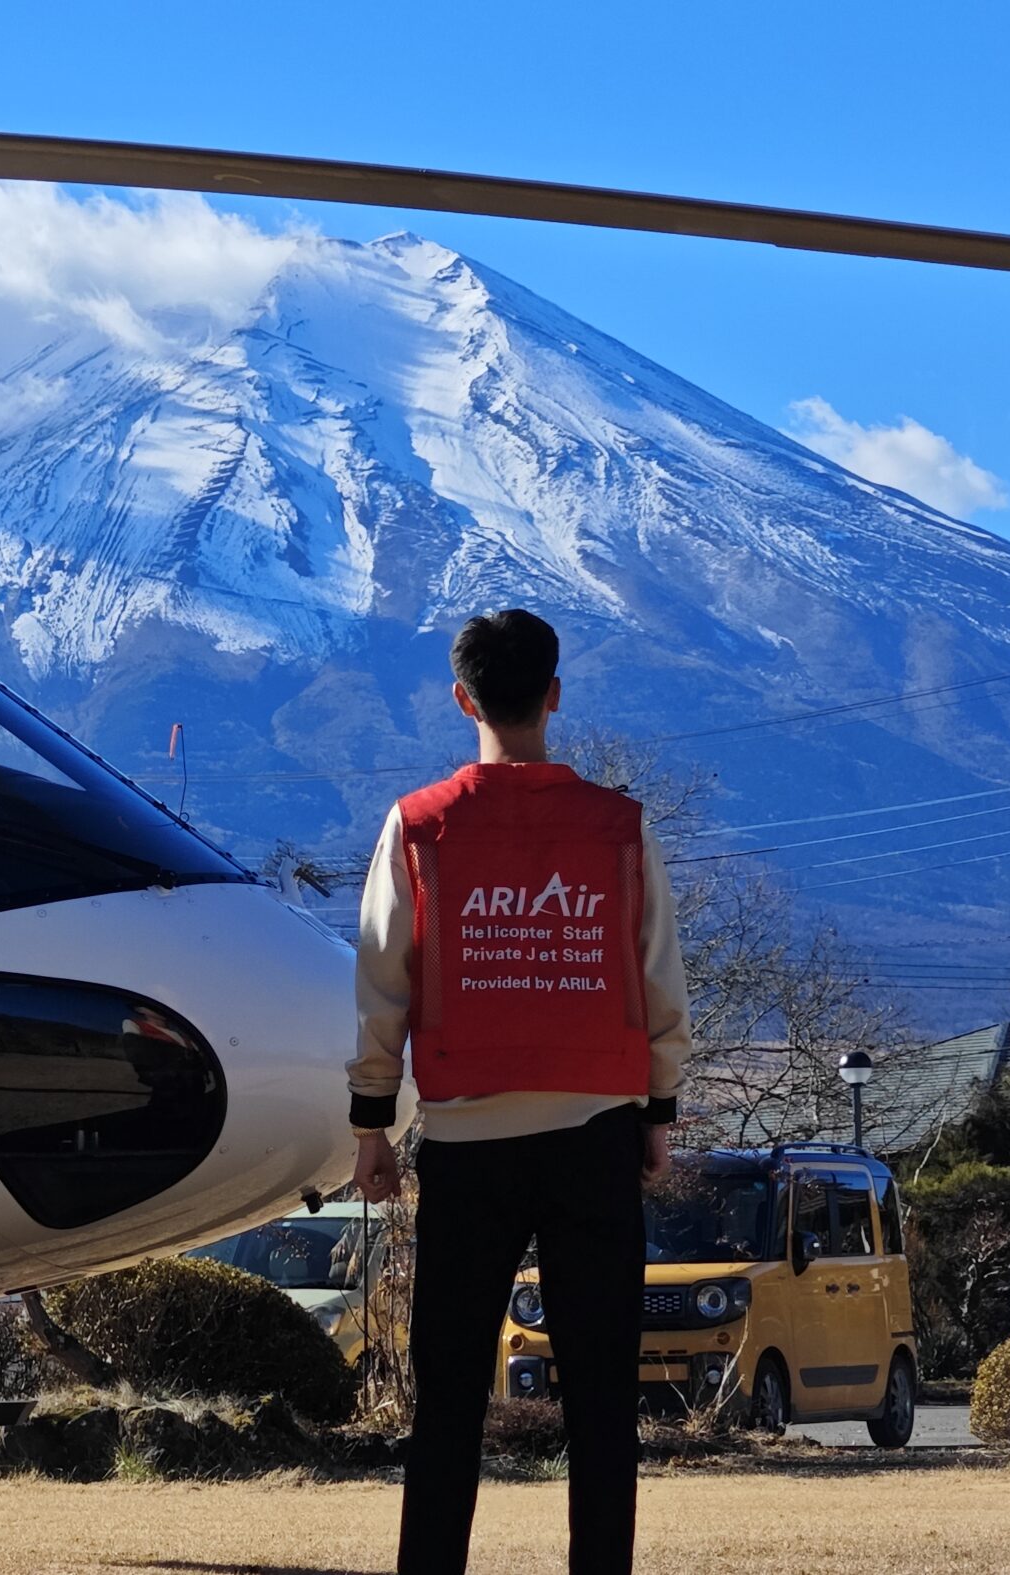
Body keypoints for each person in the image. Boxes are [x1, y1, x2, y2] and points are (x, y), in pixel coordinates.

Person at [349, 608, 691, 1575]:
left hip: (465, 1141)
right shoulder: (619, 827)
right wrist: (657, 1110)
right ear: (554, 693)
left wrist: (373, 1122)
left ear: (464, 699)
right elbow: (658, 977)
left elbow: (381, 980)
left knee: (450, 1395)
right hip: (595, 1133)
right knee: (601, 1398)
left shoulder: (420, 826)